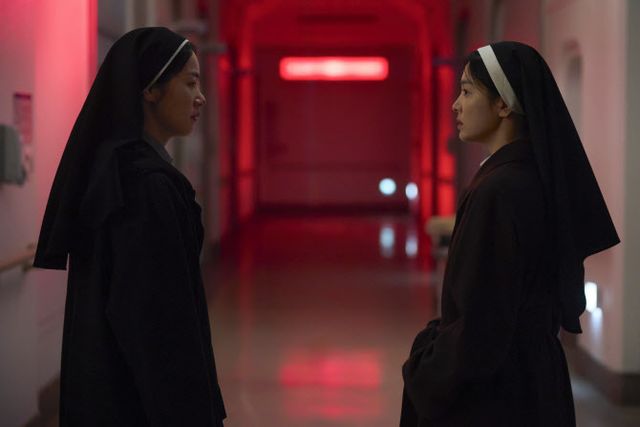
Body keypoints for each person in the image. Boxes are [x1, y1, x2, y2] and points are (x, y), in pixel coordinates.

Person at [400, 41, 619, 426]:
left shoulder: (499, 190)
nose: (456, 106)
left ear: (504, 104)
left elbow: (482, 322)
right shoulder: (530, 175)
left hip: (500, 392)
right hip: (536, 377)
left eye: (467, 92)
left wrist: (426, 368)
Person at [33, 27, 226, 426]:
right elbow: (156, 325)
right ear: (150, 89)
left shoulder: (115, 172)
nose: (201, 97)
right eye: (190, 83)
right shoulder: (145, 187)